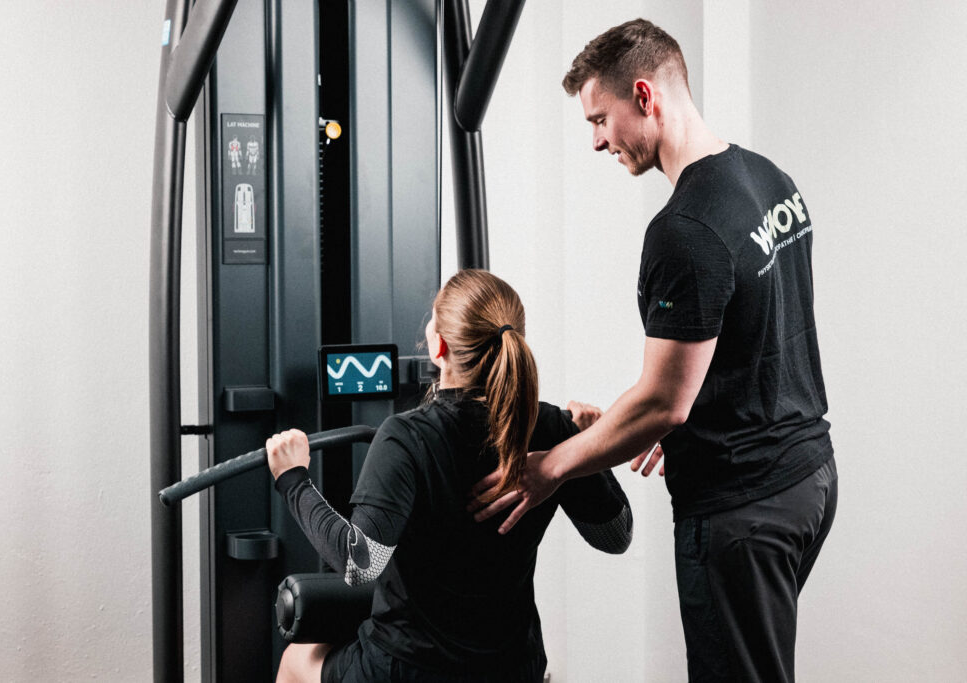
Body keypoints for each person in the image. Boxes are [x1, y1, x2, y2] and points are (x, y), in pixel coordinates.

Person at [471, 19, 838, 683]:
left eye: (599, 119)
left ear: (643, 96)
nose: (596, 141)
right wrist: (667, 419)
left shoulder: (683, 230)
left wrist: (552, 467)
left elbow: (666, 402)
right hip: (808, 480)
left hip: (742, 510)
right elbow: (752, 337)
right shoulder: (768, 179)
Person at [267, 269, 634, 683]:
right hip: (513, 667)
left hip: (410, 669)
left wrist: (293, 480)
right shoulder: (552, 429)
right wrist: (586, 446)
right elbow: (615, 536)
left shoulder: (406, 436)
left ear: (438, 345)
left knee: (297, 660)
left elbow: (358, 564)